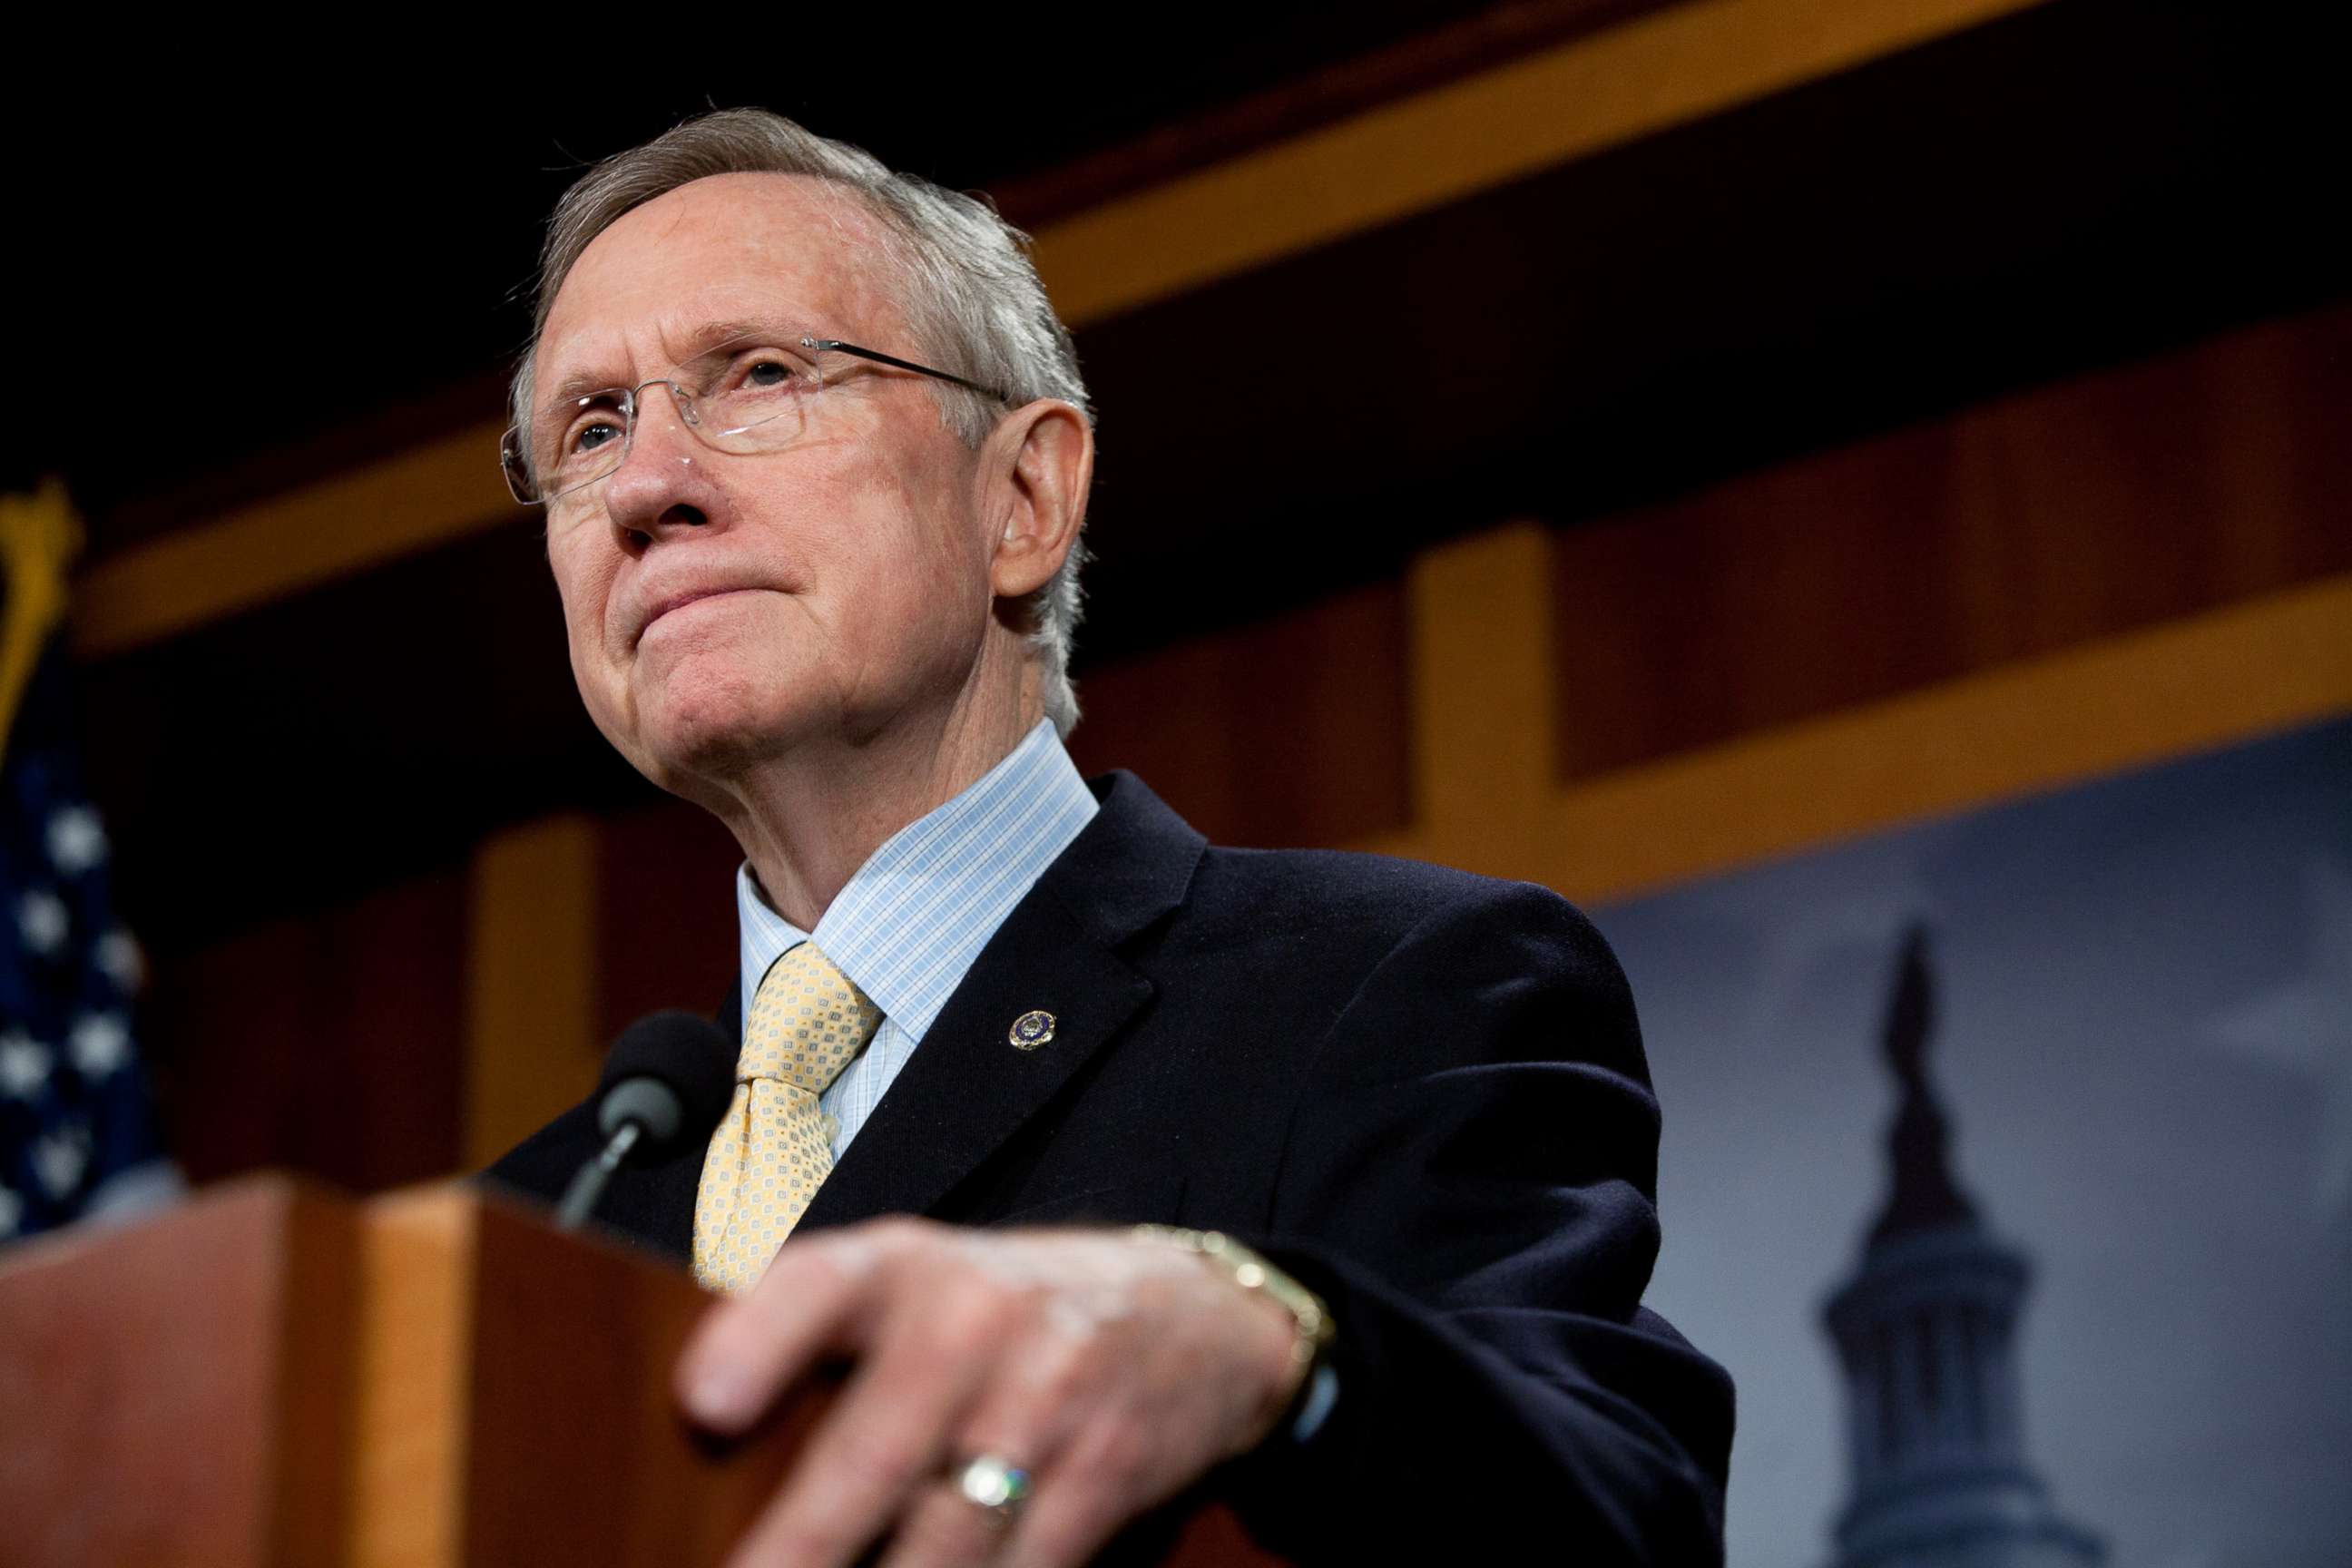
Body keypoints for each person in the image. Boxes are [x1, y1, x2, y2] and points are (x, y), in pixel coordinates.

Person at [485, 109, 1733, 1567]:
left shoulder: (1389, 987)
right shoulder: (530, 1223)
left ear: (1023, 498)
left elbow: (1617, 1523)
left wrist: (1277, 1351)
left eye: (758, 374)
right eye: (589, 428)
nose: (644, 489)